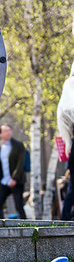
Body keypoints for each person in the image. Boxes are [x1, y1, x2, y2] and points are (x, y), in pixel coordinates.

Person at [0, 124, 27, 219]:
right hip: (4, 182)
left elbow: (21, 163)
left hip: (16, 182)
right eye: (5, 131)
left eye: (9, 130)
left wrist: (14, 178)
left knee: (19, 206)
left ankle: (28, 228)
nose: (8, 132)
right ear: (0, 134)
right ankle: (0, 227)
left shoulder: (18, 146)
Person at [57, 62, 74, 220]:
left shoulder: (68, 85)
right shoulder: (69, 85)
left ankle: (65, 218)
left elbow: (61, 117)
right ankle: (65, 219)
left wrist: (68, 143)